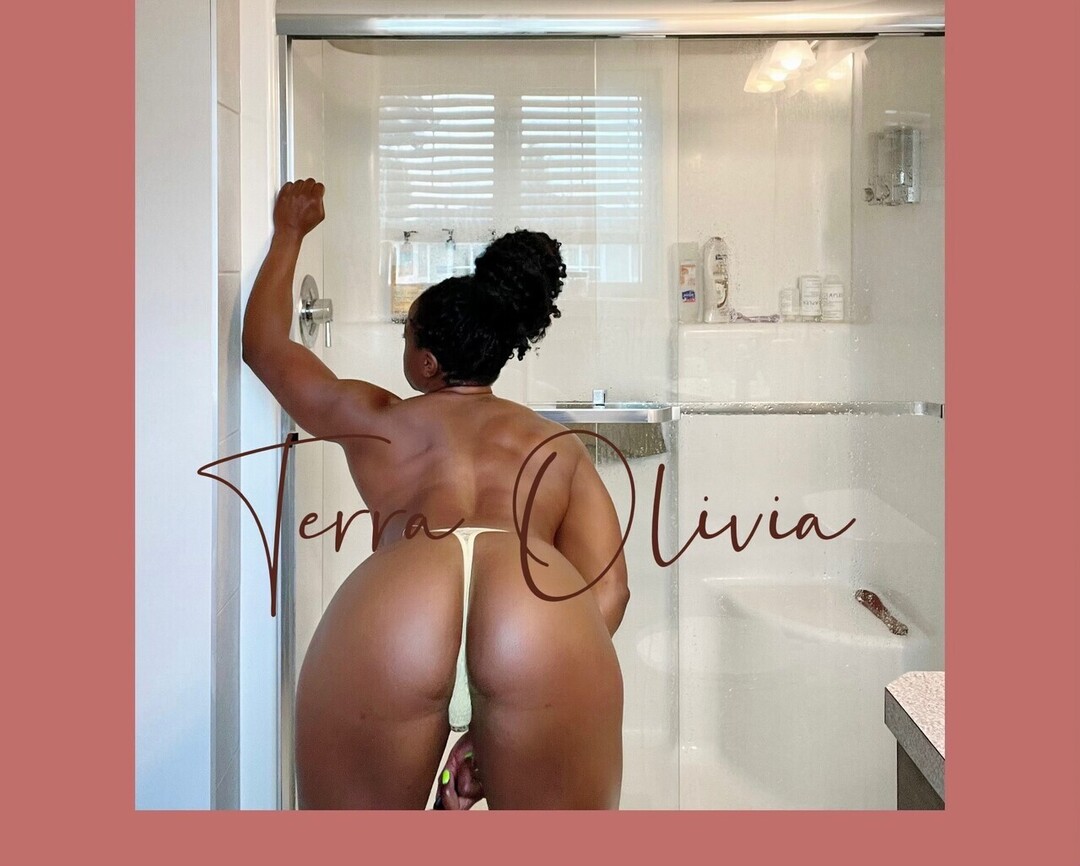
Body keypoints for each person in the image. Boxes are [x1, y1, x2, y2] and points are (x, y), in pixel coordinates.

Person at [243, 178, 629, 809]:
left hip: (399, 610)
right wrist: (540, 679)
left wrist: (289, 232)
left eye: (407, 336)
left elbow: (264, 348)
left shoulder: (378, 420)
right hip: (537, 616)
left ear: (426, 363)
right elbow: (610, 590)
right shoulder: (558, 446)